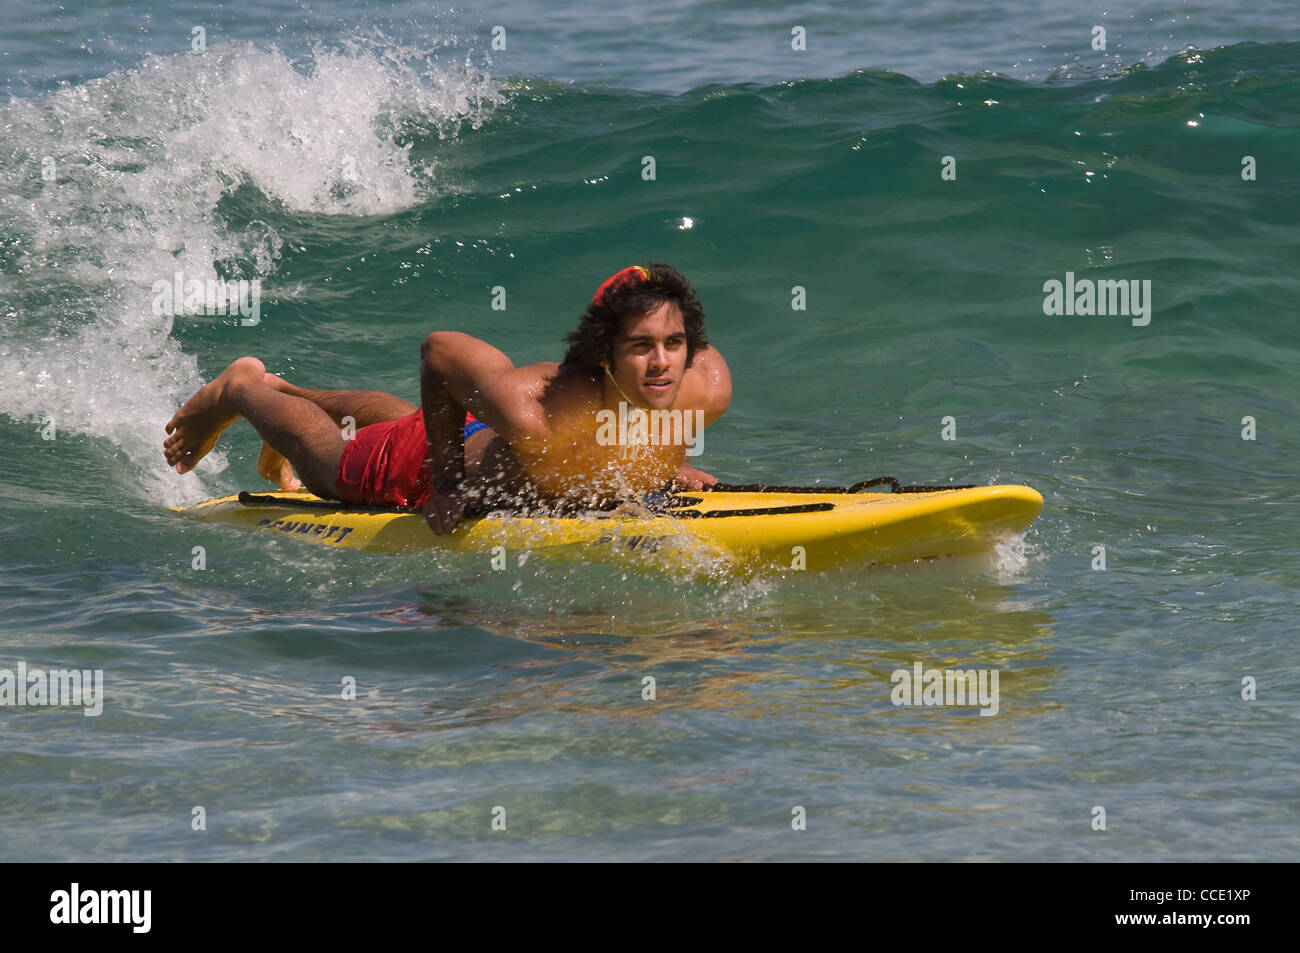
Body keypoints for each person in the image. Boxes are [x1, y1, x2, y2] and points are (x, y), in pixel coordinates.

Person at [163, 263, 731, 534]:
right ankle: (242, 390)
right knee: (327, 458)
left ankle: (287, 390)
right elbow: (440, 353)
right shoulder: (533, 415)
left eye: (674, 343)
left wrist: (663, 460)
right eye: (640, 346)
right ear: (603, 353)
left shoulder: (705, 384)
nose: (661, 363)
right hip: (422, 467)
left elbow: (647, 405)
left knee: (398, 420)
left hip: (470, 431)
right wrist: (449, 483)